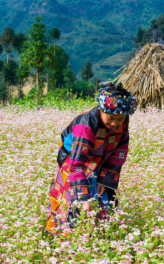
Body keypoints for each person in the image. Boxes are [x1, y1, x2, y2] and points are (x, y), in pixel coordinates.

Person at [46, 82, 138, 234]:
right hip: (72, 160)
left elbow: (119, 151)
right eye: (111, 118)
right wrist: (84, 199)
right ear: (102, 109)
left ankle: (101, 235)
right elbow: (77, 165)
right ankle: (66, 239)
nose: (115, 124)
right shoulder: (86, 124)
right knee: (71, 202)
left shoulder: (122, 121)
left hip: (99, 162)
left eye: (120, 119)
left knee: (104, 197)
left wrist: (104, 178)